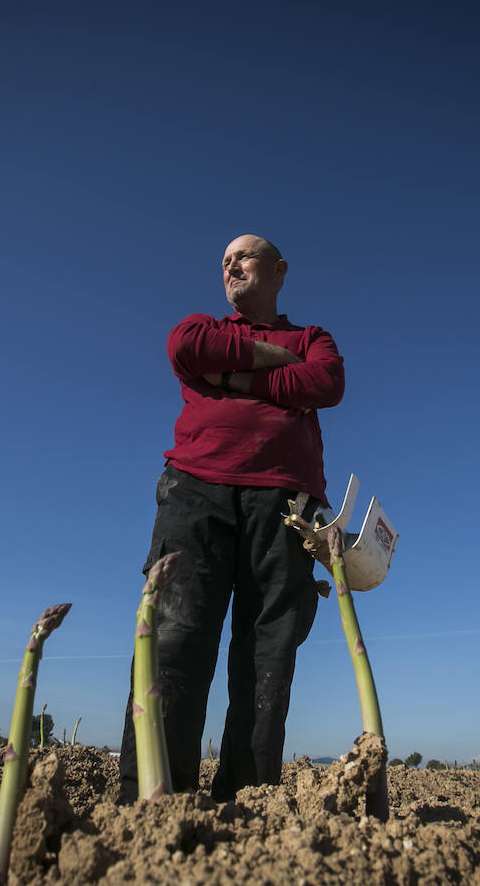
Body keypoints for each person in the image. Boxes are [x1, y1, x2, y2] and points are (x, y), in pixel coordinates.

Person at [118, 234, 345, 803]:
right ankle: (149, 799)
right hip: (195, 491)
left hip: (287, 506)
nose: (230, 267)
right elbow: (182, 347)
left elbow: (324, 383)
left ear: (279, 270)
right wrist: (277, 369)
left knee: (267, 653)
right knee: (174, 639)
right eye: (224, 262)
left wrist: (234, 376)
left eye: (243, 257)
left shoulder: (311, 337)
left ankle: (246, 800)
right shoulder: (205, 329)